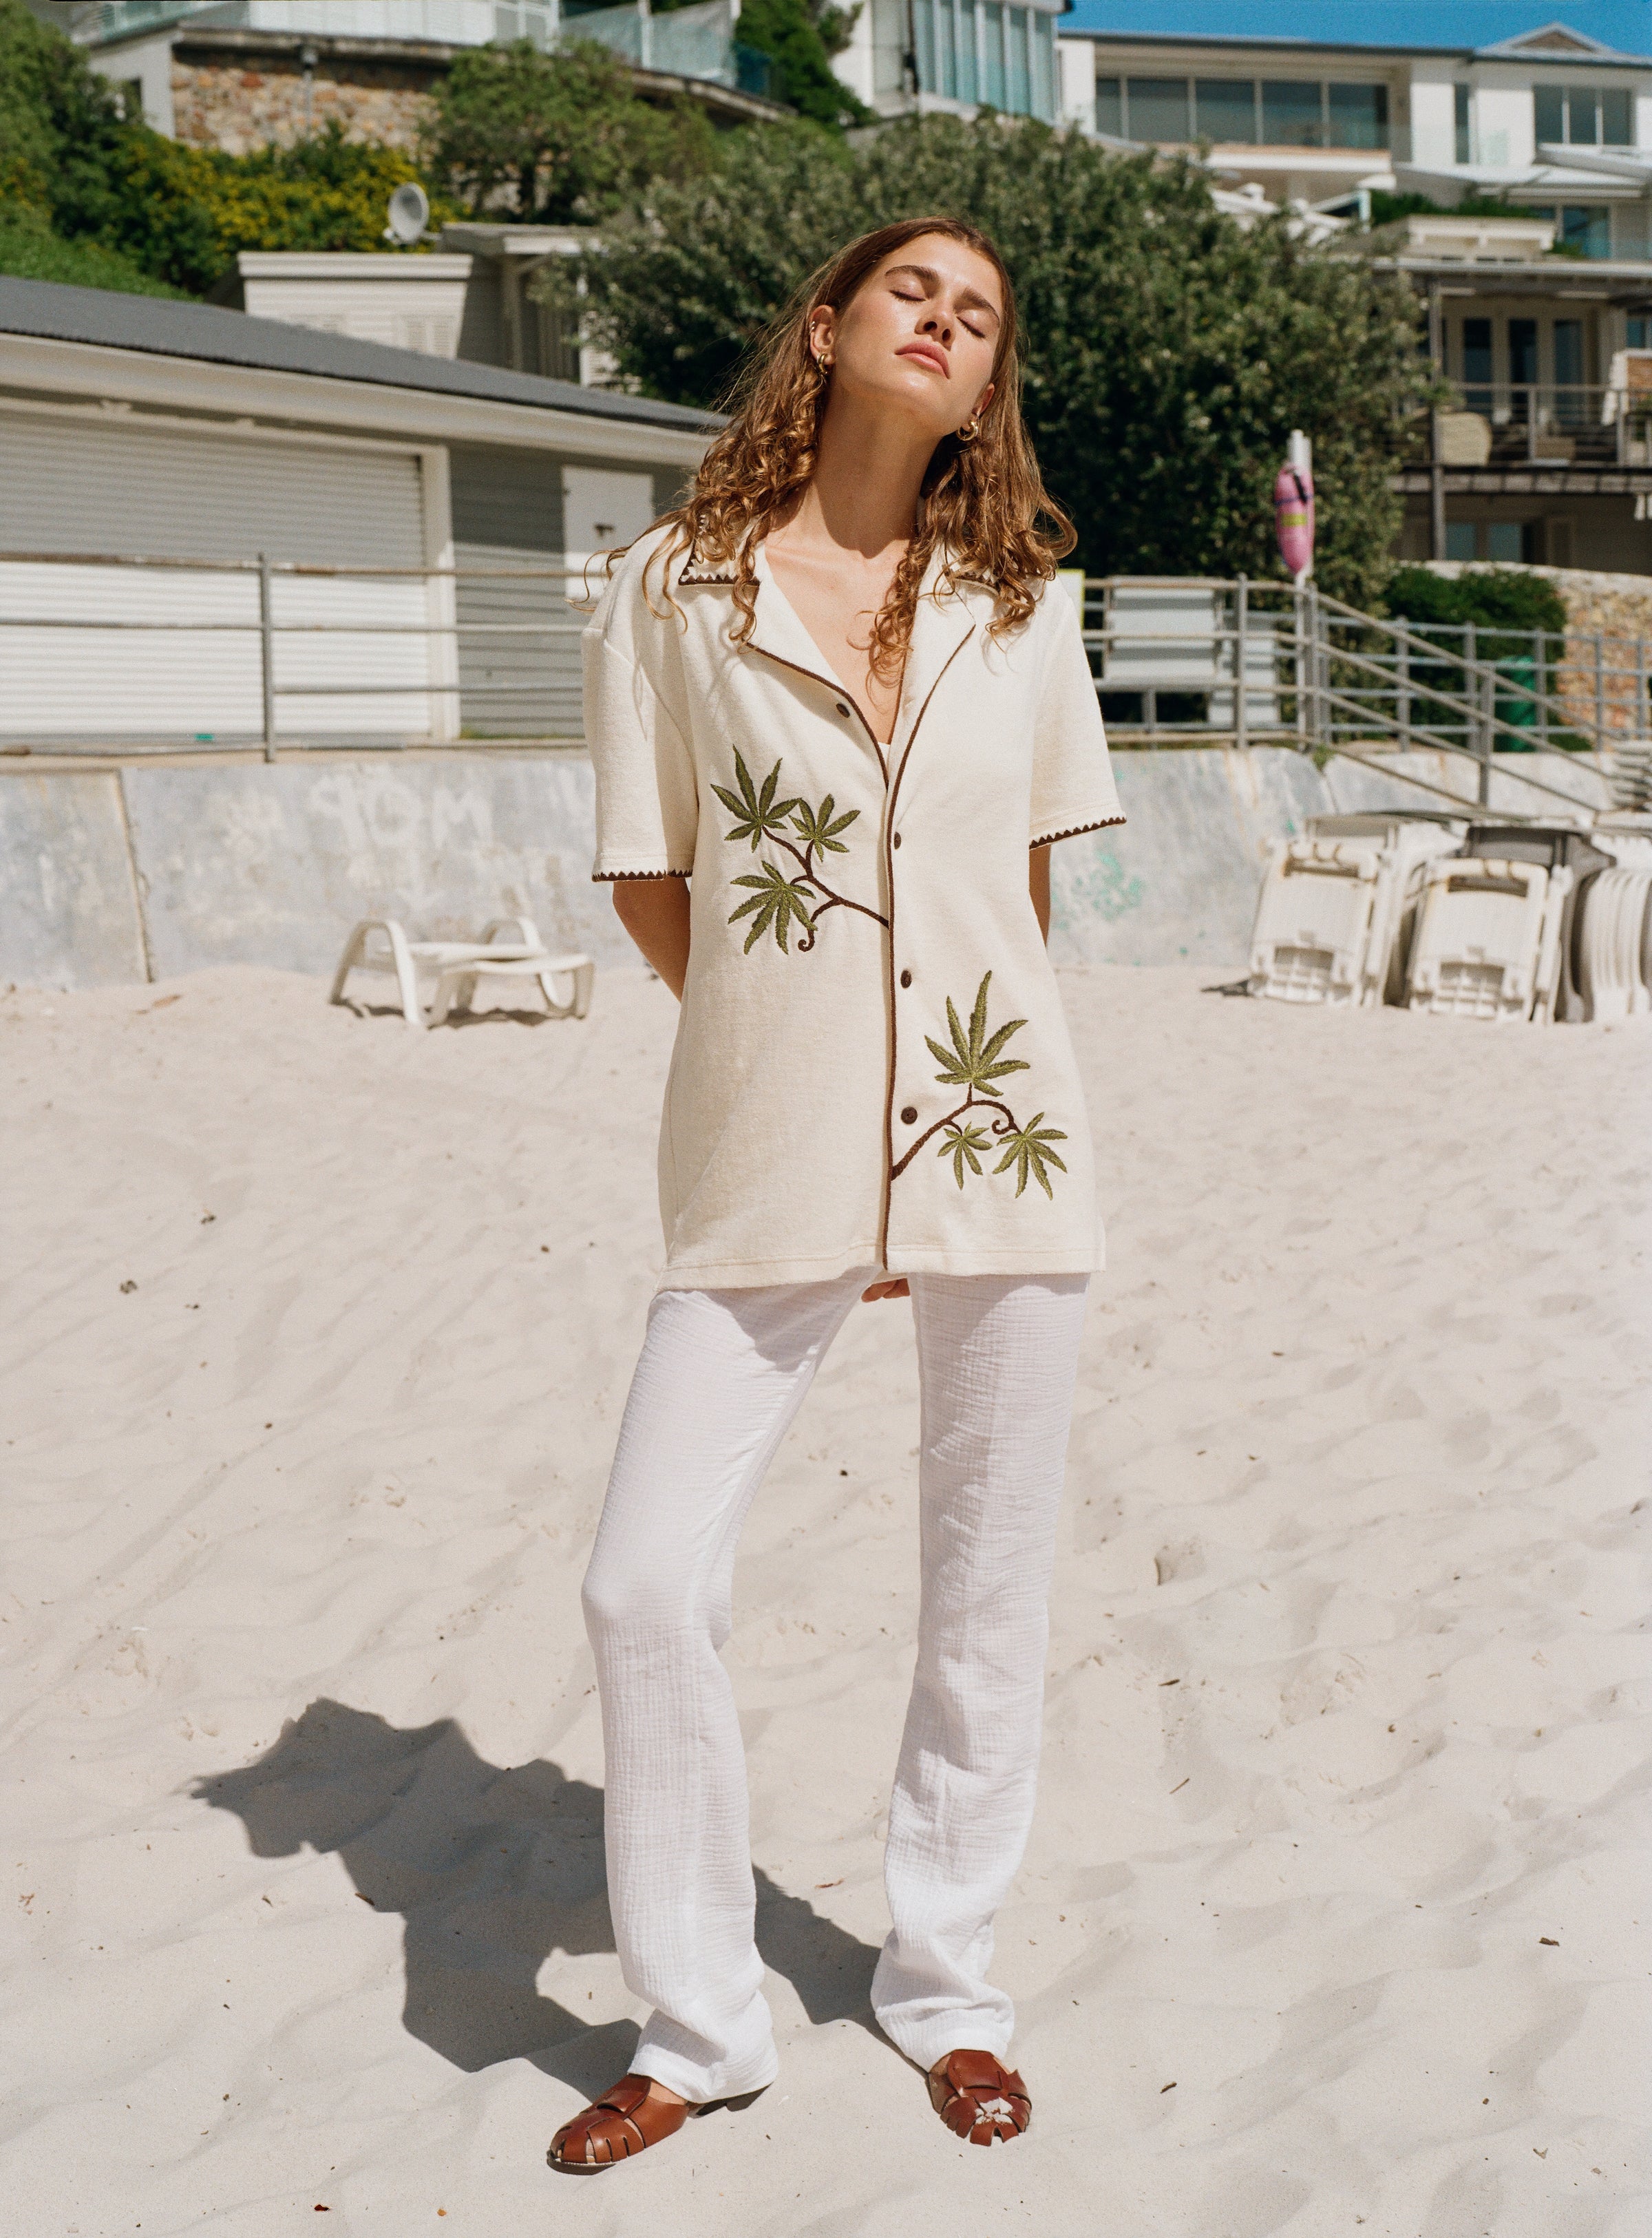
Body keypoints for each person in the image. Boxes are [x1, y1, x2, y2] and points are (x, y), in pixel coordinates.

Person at [549, 215, 1123, 2173]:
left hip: (1001, 1135)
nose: (946, 321)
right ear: (828, 322)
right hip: (766, 1145)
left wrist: (925, 1113)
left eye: (980, 313)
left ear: (988, 376)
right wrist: (822, 1088)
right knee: (642, 1574)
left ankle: (945, 1983)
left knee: (984, 1576)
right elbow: (651, 876)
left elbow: (1027, 894)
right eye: (913, 290)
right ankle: (702, 2024)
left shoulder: (1029, 603)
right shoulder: (668, 588)